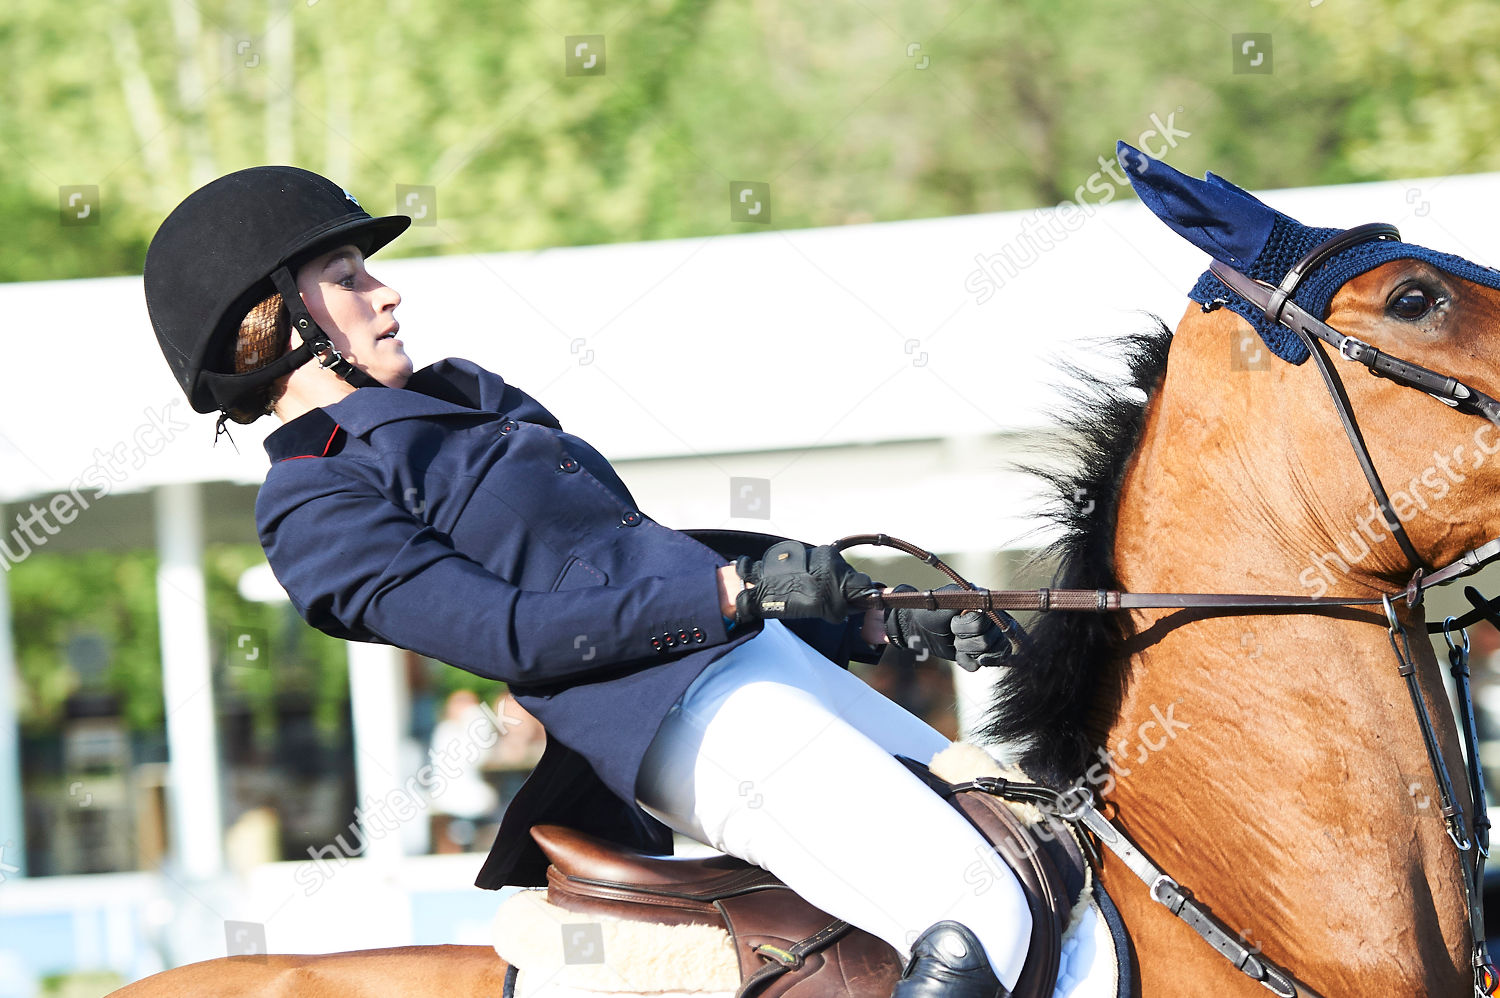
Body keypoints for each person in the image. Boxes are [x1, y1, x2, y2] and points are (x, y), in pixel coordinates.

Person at [143, 166, 1033, 998]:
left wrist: (862, 621)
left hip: (760, 661)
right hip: (674, 718)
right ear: (272, 322)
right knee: (981, 914)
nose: (387, 290)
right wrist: (731, 595)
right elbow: (508, 631)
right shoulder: (315, 498)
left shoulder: (462, 395)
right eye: (346, 275)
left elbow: (627, 551)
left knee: (1037, 848)